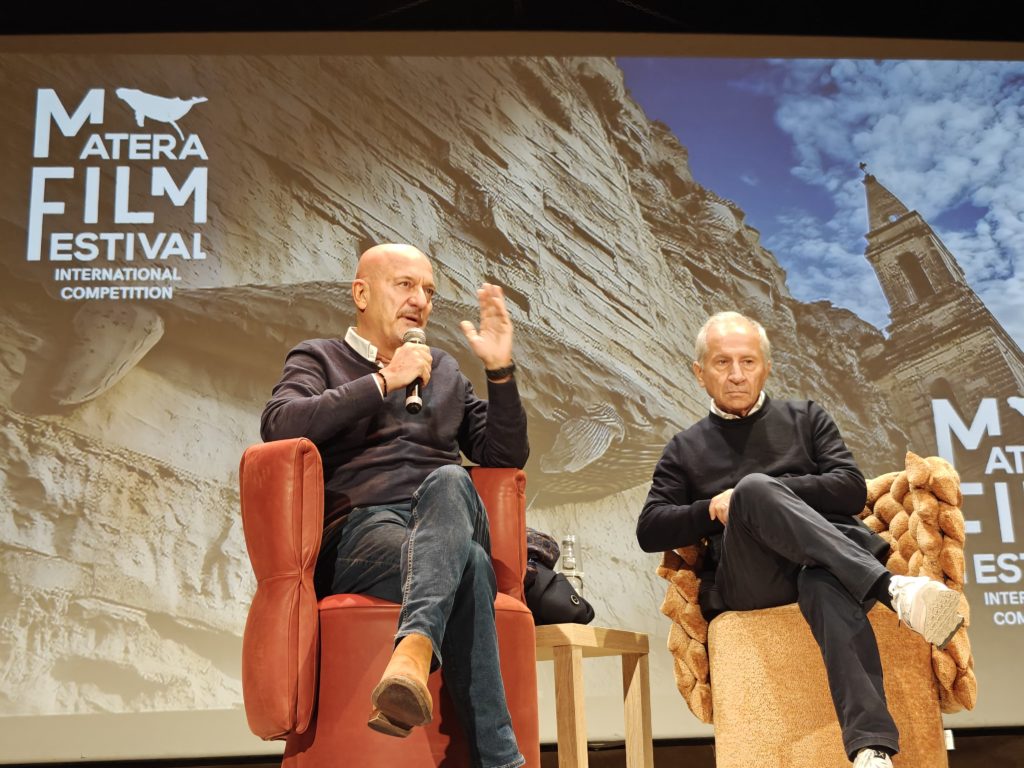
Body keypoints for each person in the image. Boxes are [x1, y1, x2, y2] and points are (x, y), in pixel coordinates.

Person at [637, 311, 963, 768]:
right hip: (752, 578)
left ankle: (872, 751)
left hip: (822, 564)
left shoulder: (807, 417)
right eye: (722, 363)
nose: (736, 375)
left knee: (822, 583)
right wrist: (714, 506)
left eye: (748, 362)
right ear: (700, 372)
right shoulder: (684, 448)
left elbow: (849, 488)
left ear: (766, 367)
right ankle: (891, 589)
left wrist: (772, 492)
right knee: (752, 491)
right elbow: (650, 528)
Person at [260, 243, 529, 768]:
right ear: (361, 293)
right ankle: (502, 761)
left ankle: (411, 653)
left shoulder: (446, 369)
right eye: (404, 285)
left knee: (451, 478)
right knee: (469, 563)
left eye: (428, 290)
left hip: (447, 512)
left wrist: (500, 372)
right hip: (362, 533)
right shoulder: (319, 357)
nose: (420, 300)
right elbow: (280, 424)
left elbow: (503, 453)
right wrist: (384, 379)